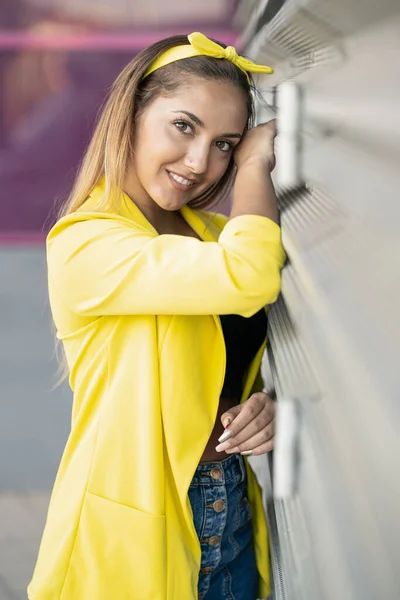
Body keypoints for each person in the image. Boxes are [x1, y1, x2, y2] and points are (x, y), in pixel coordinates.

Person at [28, 32, 286, 600]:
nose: (201, 162)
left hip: (231, 514)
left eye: (227, 143)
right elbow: (249, 278)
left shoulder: (219, 236)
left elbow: (226, 356)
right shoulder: (85, 245)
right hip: (129, 537)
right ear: (132, 116)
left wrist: (265, 404)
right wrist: (254, 165)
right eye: (185, 126)